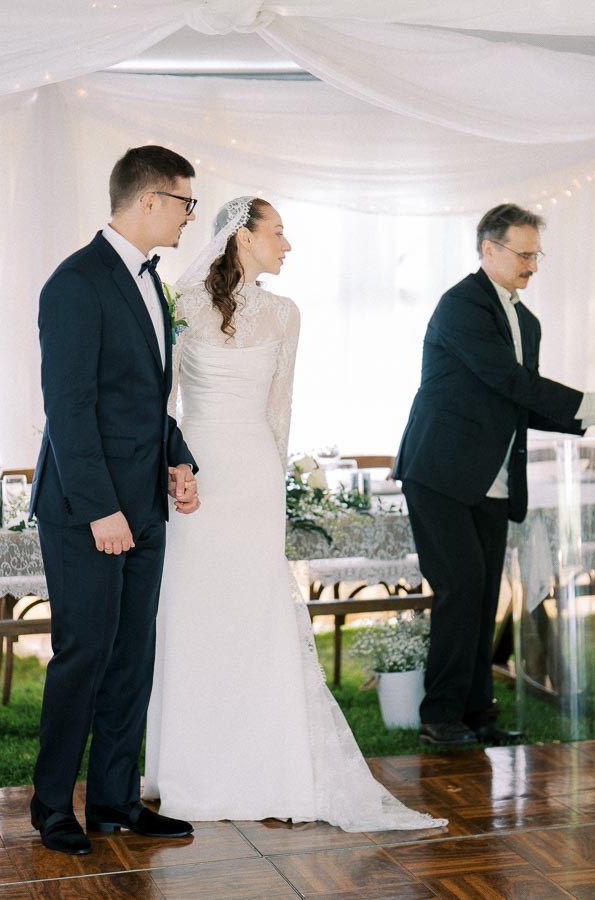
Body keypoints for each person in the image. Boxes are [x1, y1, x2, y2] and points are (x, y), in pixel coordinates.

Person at [144, 196, 445, 832]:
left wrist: (274, 483)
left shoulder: (285, 313)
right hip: (196, 472)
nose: (288, 245)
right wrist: (174, 468)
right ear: (242, 238)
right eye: (277, 233)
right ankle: (187, 771)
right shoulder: (181, 302)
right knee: (194, 606)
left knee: (256, 606)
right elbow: (161, 399)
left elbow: (280, 409)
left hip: (252, 476)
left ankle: (268, 762)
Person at [392, 203, 595, 748]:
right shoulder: (461, 306)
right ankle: (440, 717)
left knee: (482, 595)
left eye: (536, 254)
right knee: (462, 588)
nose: (533, 265)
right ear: (488, 250)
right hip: (441, 473)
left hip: (493, 481)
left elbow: (522, 402)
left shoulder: (527, 321)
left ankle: (477, 715)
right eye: (524, 254)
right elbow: (509, 381)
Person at [28, 145, 203, 855]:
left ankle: (114, 802)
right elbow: (69, 409)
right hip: (86, 510)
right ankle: (50, 808)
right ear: (150, 201)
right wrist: (103, 509)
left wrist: (177, 456)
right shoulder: (76, 282)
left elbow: (140, 400)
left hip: (145, 506)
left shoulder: (148, 281)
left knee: (133, 655)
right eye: (186, 202)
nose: (191, 214)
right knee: (85, 653)